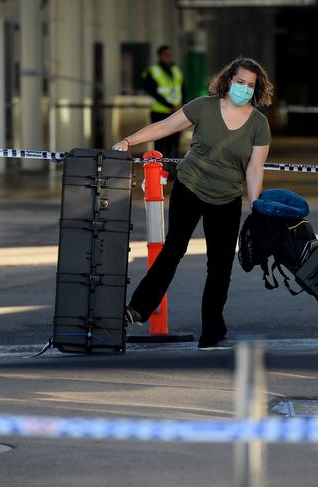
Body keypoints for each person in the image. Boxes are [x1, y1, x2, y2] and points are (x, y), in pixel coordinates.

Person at [113, 57, 273, 350]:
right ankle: (138, 308)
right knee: (174, 249)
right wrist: (128, 141)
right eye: (240, 82)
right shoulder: (204, 106)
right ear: (228, 80)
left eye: (251, 86)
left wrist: (256, 206)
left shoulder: (259, 125)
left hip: (226, 198)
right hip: (190, 187)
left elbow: (254, 168)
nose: (245, 89)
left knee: (220, 267)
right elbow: (164, 127)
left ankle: (211, 332)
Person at [141, 45, 185, 159]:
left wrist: (182, 105)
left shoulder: (176, 70)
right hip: (159, 112)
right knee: (161, 143)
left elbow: (183, 89)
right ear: (160, 56)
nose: (169, 57)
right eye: (166, 55)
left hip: (176, 112)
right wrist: (170, 106)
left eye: (170, 55)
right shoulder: (152, 71)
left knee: (174, 143)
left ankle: (173, 171)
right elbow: (152, 91)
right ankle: (160, 169)